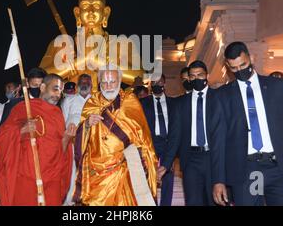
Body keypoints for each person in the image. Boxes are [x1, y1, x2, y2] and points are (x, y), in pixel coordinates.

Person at [212, 42, 283, 206]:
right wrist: (218, 180)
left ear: (251, 58)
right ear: (228, 67)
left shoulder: (276, 87)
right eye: (234, 68)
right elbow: (219, 140)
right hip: (248, 170)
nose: (240, 70)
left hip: (279, 168)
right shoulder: (223, 96)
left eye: (243, 65)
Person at [73, 65, 157, 206]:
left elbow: (143, 136)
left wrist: (145, 157)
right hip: (97, 170)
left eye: (112, 81)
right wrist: (87, 124)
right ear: (99, 83)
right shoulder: (92, 103)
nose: (108, 86)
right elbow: (79, 136)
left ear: (119, 81)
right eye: (104, 82)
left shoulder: (130, 101)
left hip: (126, 166)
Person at [0, 74, 75, 205]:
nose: (58, 94)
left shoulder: (58, 114)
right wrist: (21, 131)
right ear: (43, 87)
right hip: (27, 176)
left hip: (52, 178)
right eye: (55, 89)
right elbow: (2, 138)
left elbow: (60, 150)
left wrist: (67, 138)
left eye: (61, 90)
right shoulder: (23, 108)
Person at [176, 60, 223, 206]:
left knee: (214, 200)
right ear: (189, 78)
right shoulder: (181, 103)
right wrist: (165, 164)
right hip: (191, 159)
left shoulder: (219, 98)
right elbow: (175, 136)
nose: (196, 79)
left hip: (213, 157)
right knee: (193, 201)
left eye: (200, 75)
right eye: (193, 76)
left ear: (207, 75)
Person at [140, 74, 179, 206]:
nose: (157, 85)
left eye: (160, 82)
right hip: (150, 143)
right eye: (154, 83)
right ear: (150, 85)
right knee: (149, 176)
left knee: (168, 175)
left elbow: (176, 127)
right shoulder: (143, 103)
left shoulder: (173, 103)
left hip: (168, 143)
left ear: (165, 84)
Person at [62, 74, 92, 205]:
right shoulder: (69, 100)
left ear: (91, 83)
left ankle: (89, 197)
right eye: (81, 81)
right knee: (73, 169)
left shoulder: (96, 99)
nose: (84, 84)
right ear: (78, 84)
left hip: (91, 141)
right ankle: (71, 200)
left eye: (87, 81)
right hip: (73, 141)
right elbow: (62, 121)